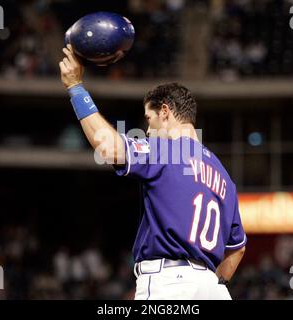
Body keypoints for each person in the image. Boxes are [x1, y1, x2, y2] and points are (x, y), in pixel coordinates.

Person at [59, 44, 247, 300]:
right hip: (212, 290)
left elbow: (109, 147)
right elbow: (237, 249)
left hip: (169, 282)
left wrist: (76, 88)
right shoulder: (223, 175)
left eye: (149, 119)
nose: (147, 131)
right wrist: (209, 284)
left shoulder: (167, 150)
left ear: (166, 112)